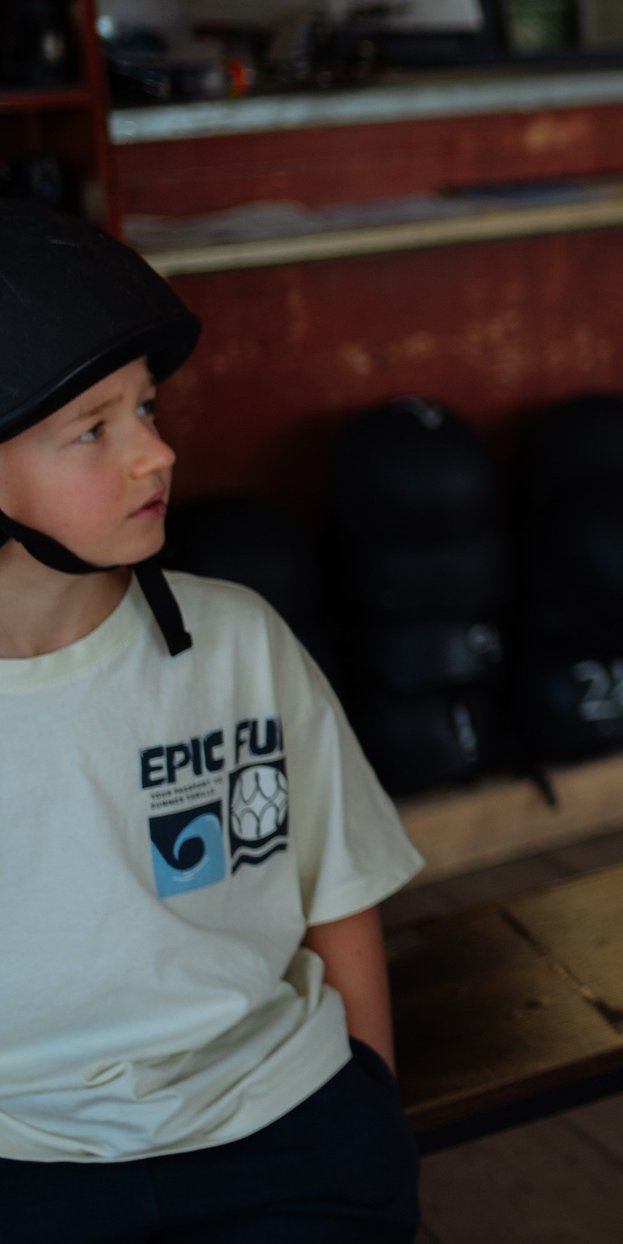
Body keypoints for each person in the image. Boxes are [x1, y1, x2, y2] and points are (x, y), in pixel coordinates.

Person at [0, 202, 425, 1241]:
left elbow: (341, 894)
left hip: (283, 1130)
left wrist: (371, 1100)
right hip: (30, 1157)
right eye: (92, 430)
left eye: (145, 410)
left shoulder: (237, 642)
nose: (154, 455)